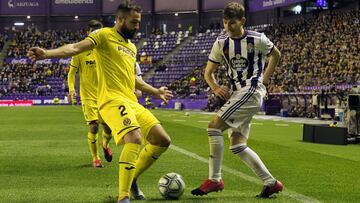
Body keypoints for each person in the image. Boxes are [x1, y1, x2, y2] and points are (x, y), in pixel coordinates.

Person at [27, 2, 173, 203]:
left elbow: (133, 78)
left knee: (162, 140)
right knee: (134, 137)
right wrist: (47, 53)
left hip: (131, 101)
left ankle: (132, 180)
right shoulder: (103, 35)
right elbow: (76, 47)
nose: (137, 26)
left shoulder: (131, 47)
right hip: (111, 100)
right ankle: (123, 197)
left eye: (139, 22)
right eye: (133, 22)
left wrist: (156, 91)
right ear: (120, 19)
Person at [191, 2, 283, 198]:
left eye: (232, 22)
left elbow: (276, 54)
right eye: (225, 22)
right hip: (236, 93)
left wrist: (264, 80)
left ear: (242, 20)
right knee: (237, 144)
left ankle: (215, 180)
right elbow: (208, 72)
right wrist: (215, 87)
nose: (228, 26)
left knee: (213, 127)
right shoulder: (221, 43)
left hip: (251, 90)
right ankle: (271, 183)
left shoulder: (257, 39)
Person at [67, 20, 113, 168]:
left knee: (108, 128)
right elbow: (72, 72)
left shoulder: (106, 49)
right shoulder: (80, 51)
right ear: (89, 33)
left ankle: (105, 144)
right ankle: (96, 158)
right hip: (88, 96)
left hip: (104, 94)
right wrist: (71, 88)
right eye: (94, 32)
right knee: (93, 127)